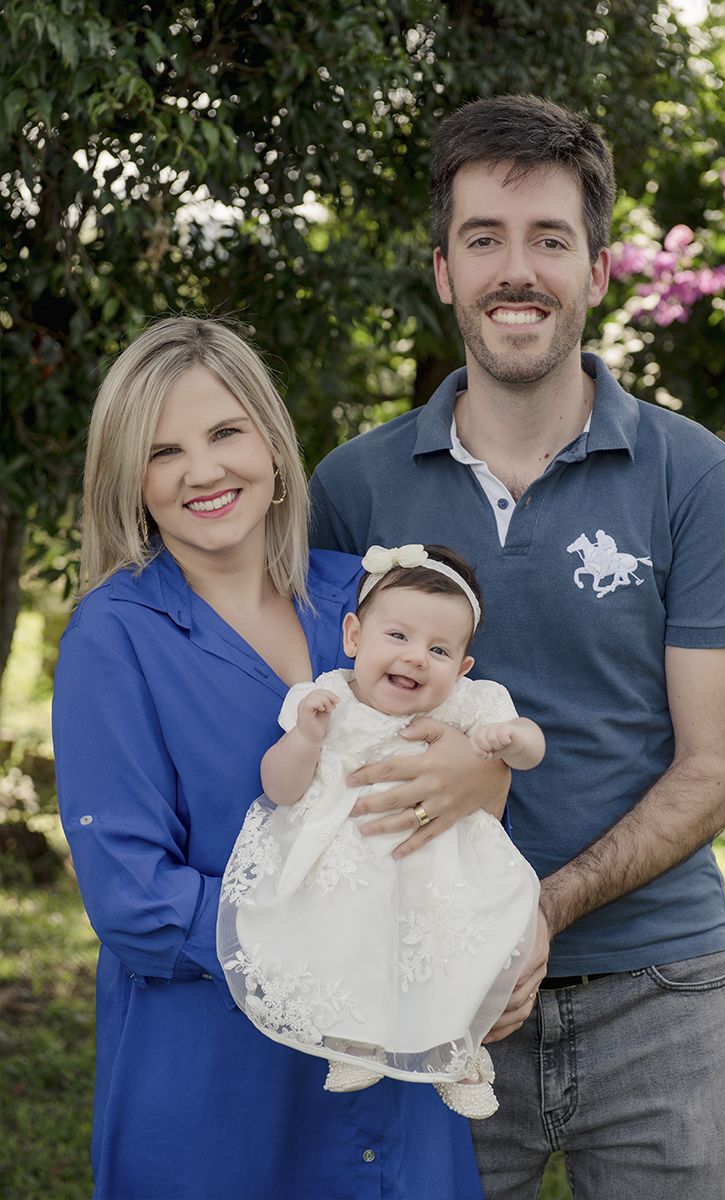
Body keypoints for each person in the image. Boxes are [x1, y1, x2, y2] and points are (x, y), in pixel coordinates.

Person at [307, 95, 725, 1199]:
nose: (516, 272)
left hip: (659, 992)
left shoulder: (692, 475)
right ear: (442, 272)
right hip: (422, 992)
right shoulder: (353, 487)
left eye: (549, 240)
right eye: (484, 240)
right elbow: (327, 723)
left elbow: (718, 768)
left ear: (597, 270)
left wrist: (541, 908)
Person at [51, 317, 491, 1200]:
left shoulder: (364, 599)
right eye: (164, 450)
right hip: (215, 1085)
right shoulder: (113, 634)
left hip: (393, 1073)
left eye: (225, 433)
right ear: (131, 480)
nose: (203, 471)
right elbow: (135, 899)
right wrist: (327, 943)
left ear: (274, 447)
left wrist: (486, 782)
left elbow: (461, 760)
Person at [217, 542, 544, 1121]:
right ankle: (354, 1039)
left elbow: (530, 748)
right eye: (398, 636)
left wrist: (512, 741)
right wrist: (305, 738)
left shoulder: (468, 703)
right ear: (353, 636)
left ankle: (460, 1053)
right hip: (349, 856)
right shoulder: (327, 698)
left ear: (462, 668)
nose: (416, 657)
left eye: (439, 649)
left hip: (440, 860)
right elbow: (279, 789)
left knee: (450, 951)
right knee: (350, 937)